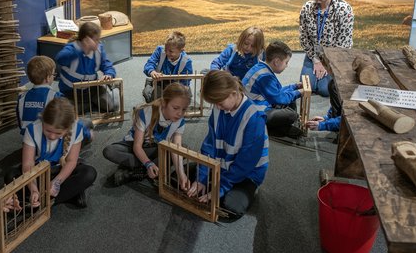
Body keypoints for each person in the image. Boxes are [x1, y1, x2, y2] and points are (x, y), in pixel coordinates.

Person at [187, 70, 269, 219]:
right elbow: (209, 146)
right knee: (180, 178)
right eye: (214, 104)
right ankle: (210, 182)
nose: (217, 107)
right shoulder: (218, 110)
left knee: (230, 209)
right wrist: (202, 177)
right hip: (221, 166)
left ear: (233, 93)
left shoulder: (254, 118)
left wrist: (220, 187)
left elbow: (246, 162)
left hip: (246, 174)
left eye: (220, 103)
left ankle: (235, 188)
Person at [5, 97, 97, 208]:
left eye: (58, 133)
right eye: (48, 130)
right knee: (11, 176)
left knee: (89, 173)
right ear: (43, 121)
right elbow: (28, 164)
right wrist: (33, 189)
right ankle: (64, 196)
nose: (52, 136)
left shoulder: (77, 129)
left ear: (67, 128)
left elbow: (71, 161)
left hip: (61, 170)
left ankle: (43, 204)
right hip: (37, 172)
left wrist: (56, 182)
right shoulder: (32, 129)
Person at [103, 83, 191, 186]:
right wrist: (148, 163)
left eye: (184, 109)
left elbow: (176, 148)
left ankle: (133, 172)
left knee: (182, 149)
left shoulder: (180, 121)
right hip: (134, 146)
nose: (180, 113)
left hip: (155, 148)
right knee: (109, 151)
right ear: (164, 103)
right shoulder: (146, 112)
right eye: (175, 108)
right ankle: (147, 169)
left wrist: (181, 174)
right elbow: (137, 146)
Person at [299, 0, 354, 97]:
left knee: (325, 90)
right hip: (313, 55)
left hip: (333, 57)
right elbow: (303, 37)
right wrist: (315, 59)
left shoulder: (344, 10)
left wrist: (326, 63)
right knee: (307, 87)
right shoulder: (307, 7)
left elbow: (344, 43)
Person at [17, 55, 93, 143]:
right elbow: (71, 123)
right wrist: (87, 134)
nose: (54, 77)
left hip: (28, 138)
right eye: (53, 74)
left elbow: (20, 123)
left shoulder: (21, 97)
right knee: (85, 123)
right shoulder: (56, 96)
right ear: (47, 78)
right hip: (52, 138)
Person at [242, 41, 303, 138]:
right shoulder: (265, 77)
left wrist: (294, 87)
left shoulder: (262, 68)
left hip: (258, 106)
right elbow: (278, 98)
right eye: (286, 62)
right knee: (292, 115)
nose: (287, 66)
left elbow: (277, 92)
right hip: (254, 113)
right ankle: (269, 128)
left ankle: (278, 127)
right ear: (277, 62)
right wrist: (299, 93)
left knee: (290, 98)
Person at [55, 22, 119, 112]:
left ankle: (114, 92)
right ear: (86, 40)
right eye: (96, 40)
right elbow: (59, 58)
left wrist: (109, 74)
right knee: (68, 113)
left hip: (92, 89)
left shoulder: (99, 50)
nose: (98, 42)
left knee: (112, 106)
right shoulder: (72, 48)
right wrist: (81, 50)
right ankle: (88, 104)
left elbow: (107, 65)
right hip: (71, 92)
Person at [142, 31, 194, 102]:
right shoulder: (160, 50)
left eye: (171, 51)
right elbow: (149, 64)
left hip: (177, 84)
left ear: (181, 50)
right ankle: (149, 86)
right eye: (165, 49)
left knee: (185, 100)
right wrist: (152, 71)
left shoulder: (187, 61)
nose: (166, 52)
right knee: (155, 101)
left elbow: (186, 81)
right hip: (160, 80)